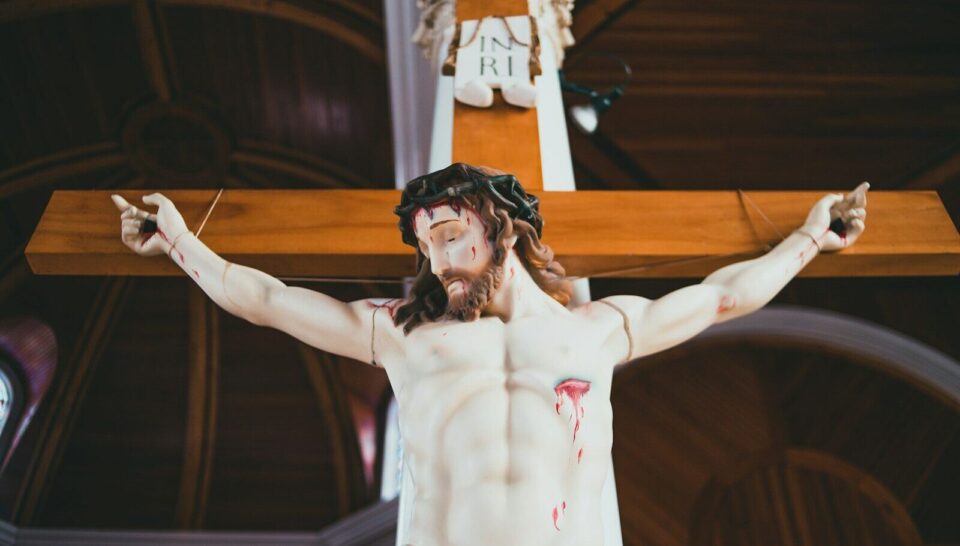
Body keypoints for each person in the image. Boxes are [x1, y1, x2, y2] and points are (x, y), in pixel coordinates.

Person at [112, 163, 868, 546]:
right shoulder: (405, 335)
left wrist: (808, 237)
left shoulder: (597, 328)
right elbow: (269, 302)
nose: (437, 262)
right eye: (425, 247)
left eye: (447, 237)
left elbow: (722, 297)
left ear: (498, 227)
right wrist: (180, 239)